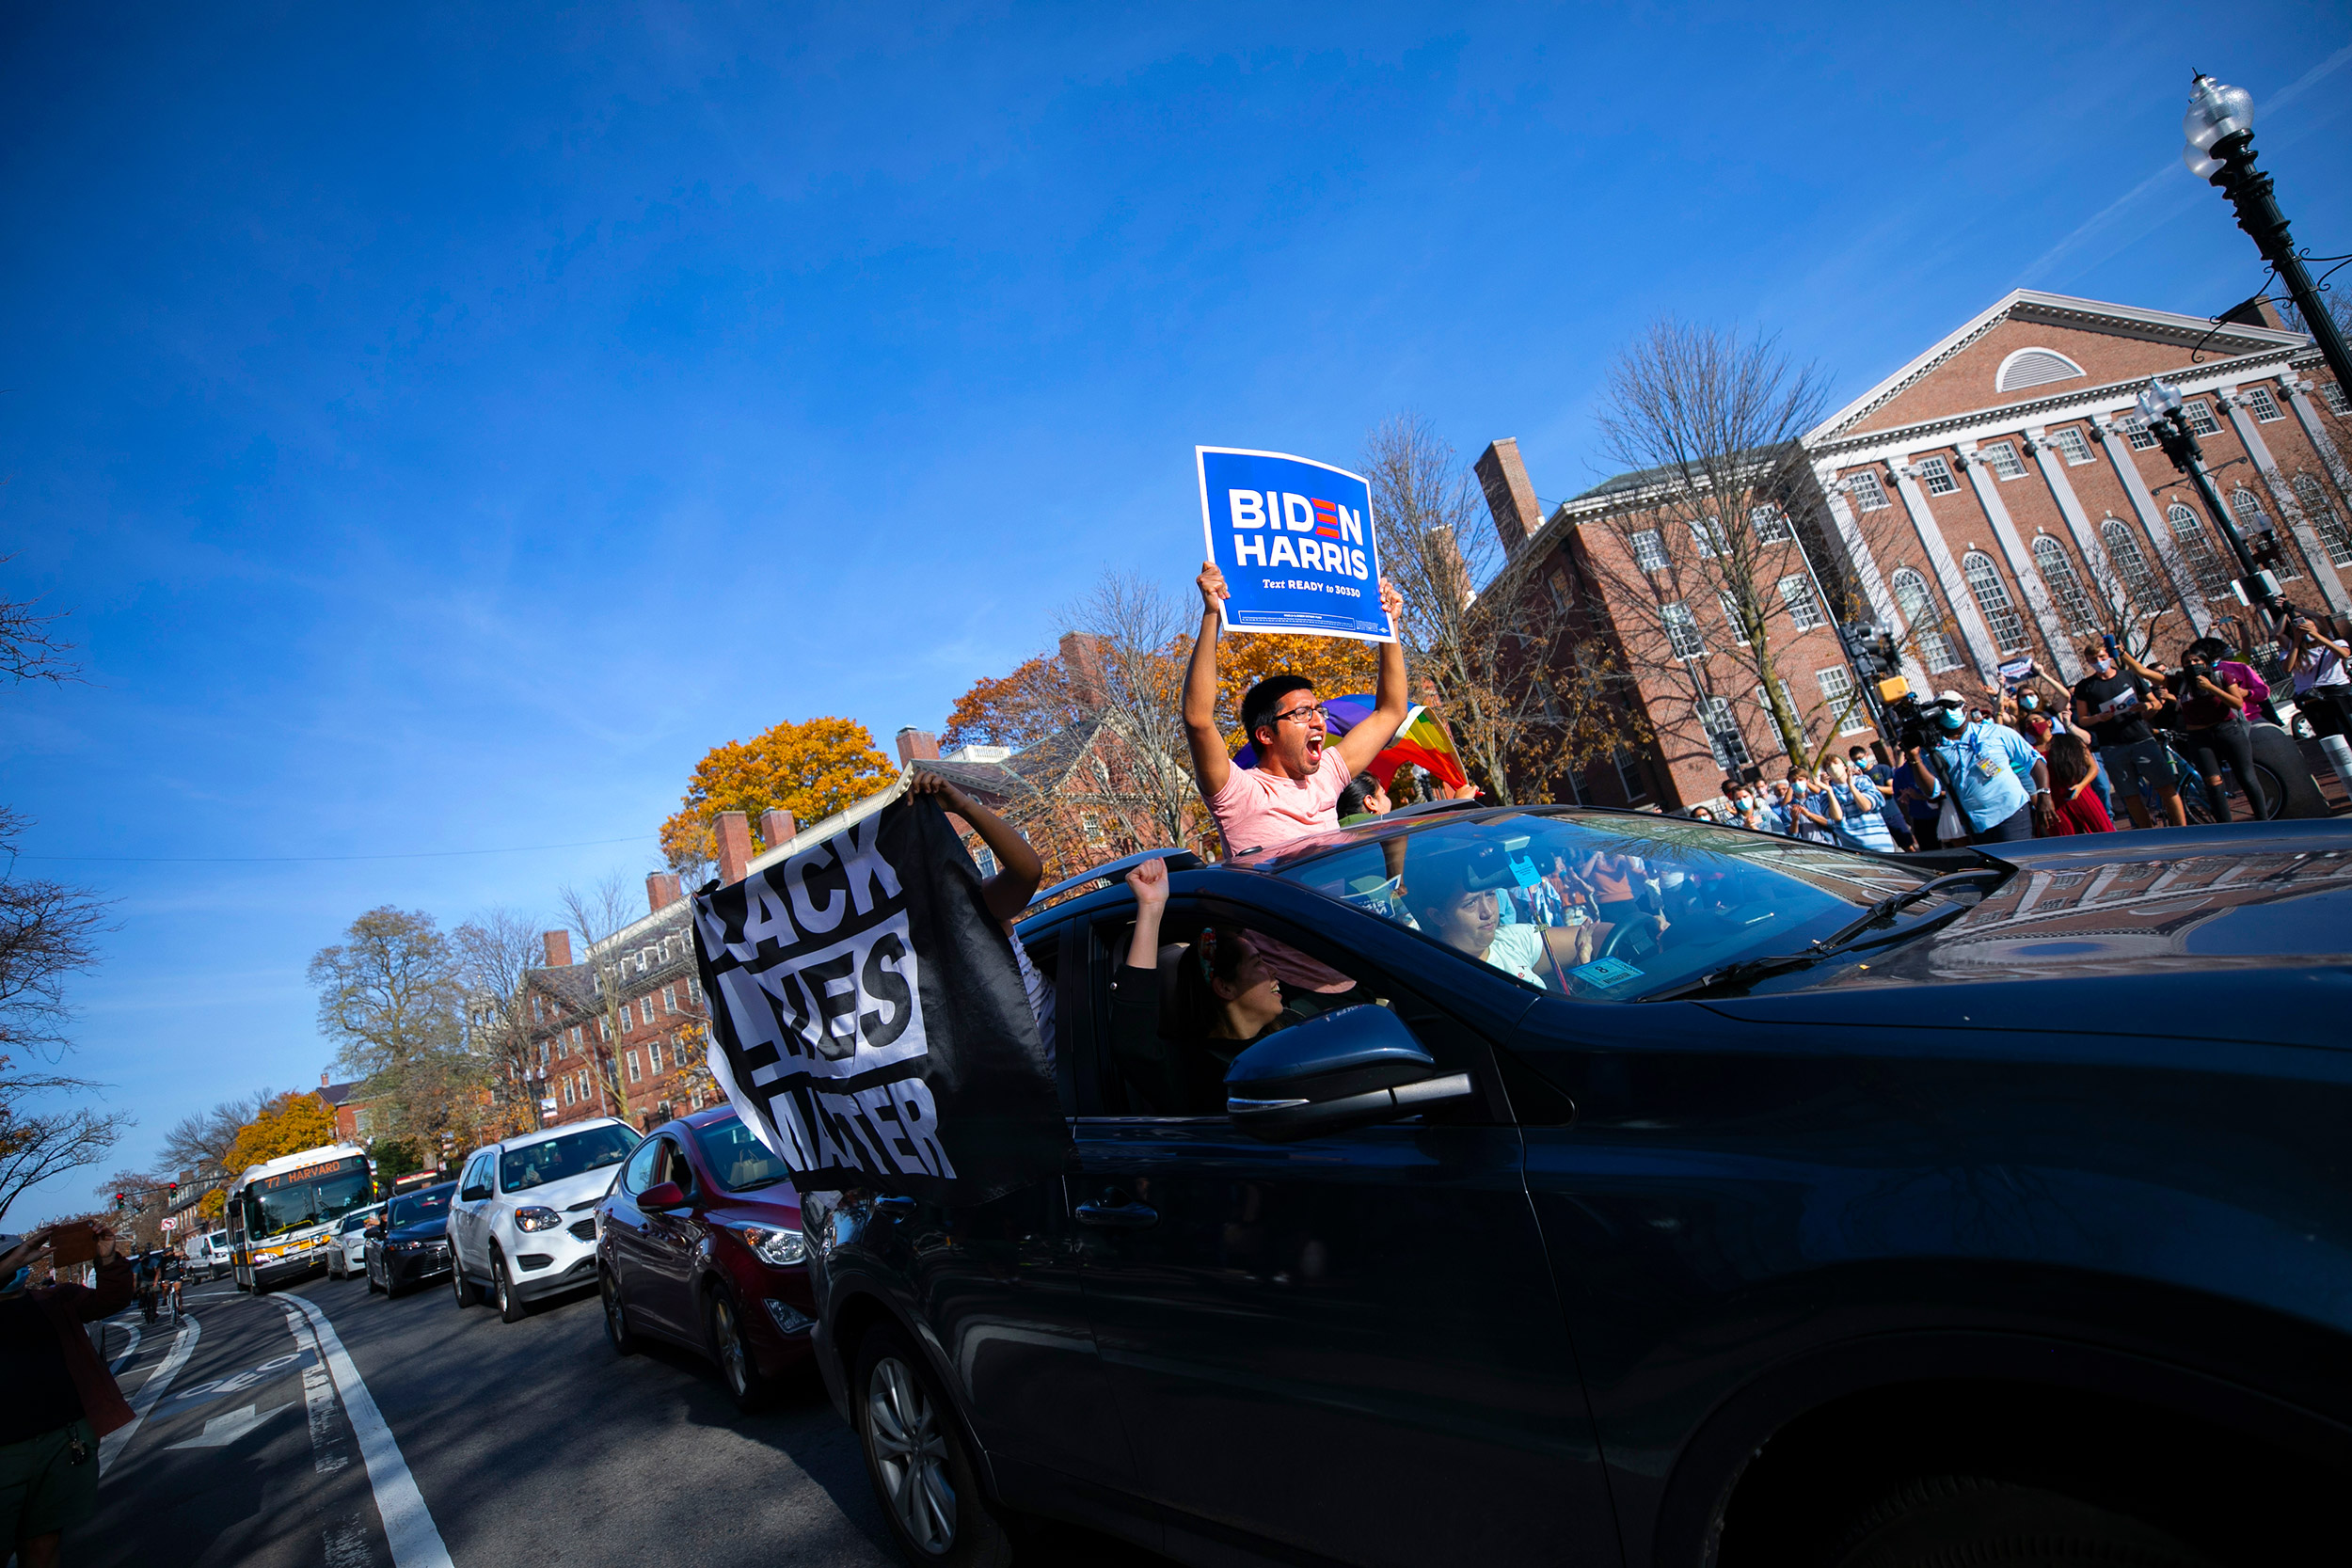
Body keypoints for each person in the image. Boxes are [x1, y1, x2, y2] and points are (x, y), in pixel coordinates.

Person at [1184, 561, 1409, 859]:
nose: (1318, 721)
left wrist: (1389, 626)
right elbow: (1198, 721)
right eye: (1303, 713)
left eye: (1318, 711)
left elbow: (1391, 712)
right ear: (1265, 734)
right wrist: (1212, 613)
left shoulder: (1326, 775)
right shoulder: (1240, 793)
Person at [1, 1224, 133, 1568]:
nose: (19, 1265)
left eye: (20, 1258)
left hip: (62, 1441)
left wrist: (106, 1260)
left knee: (43, 1542)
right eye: (10, 1260)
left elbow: (111, 1300)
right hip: (5, 1453)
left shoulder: (54, 1299)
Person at [907, 770, 1050, 1037]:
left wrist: (962, 805)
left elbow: (1027, 873)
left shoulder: (973, 903)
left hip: (1062, 1052)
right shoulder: (895, 950)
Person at [2143, 637, 2267, 823]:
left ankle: (2264, 821)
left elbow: (2237, 703)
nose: (2192, 665)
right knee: (2213, 784)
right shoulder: (2181, 683)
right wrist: (2120, 654)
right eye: (2187, 663)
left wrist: (2211, 687)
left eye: (2196, 661)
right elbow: (2144, 672)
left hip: (2228, 731)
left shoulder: (2221, 676)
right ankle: (2226, 827)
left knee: (2246, 777)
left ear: (2205, 663)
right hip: (2199, 736)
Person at [1912, 688, 2054, 844]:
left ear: (1964, 707)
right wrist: (1914, 759)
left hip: (2011, 811)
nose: (1948, 711)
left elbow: (2033, 760)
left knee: (2019, 861)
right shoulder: (1934, 750)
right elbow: (1932, 791)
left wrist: (2044, 794)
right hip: (1976, 823)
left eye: (1952, 706)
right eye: (1942, 708)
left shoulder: (1995, 732)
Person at [2071, 641, 2185, 830]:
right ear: (2087, 662)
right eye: (2094, 660)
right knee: (2130, 794)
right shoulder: (2085, 686)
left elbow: (2155, 703)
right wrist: (2099, 717)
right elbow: (2083, 719)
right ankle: (2149, 834)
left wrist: (2147, 706)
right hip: (2112, 745)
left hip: (2141, 738)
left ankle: (2183, 829)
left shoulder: (2128, 676)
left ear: (2109, 656)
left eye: (2102, 657)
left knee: (2165, 787)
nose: (2099, 662)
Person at [2285, 606, 2352, 740]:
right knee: (2329, 735)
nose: (2306, 630)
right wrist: (2297, 640)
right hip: (2311, 696)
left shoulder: (2336, 642)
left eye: (2309, 627)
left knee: (2348, 726)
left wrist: (2316, 635)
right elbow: (2287, 668)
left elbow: (2344, 654)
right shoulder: (2294, 651)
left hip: (2337, 690)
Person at [1821, 753, 1898, 852]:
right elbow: (1837, 816)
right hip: (1852, 848)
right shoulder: (1825, 792)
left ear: (1844, 766)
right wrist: (1829, 791)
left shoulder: (1862, 781)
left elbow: (1866, 806)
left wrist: (1851, 786)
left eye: (1835, 763)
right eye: (1828, 766)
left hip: (1879, 844)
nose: (1832, 767)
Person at [2042, 733, 2114, 835]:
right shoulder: (2030, 749)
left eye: (2037, 720)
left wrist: (2081, 785)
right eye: (2028, 723)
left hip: (2080, 792)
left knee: (2103, 830)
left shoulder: (2069, 741)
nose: (2033, 724)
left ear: (2049, 723)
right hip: (2054, 801)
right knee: (2067, 840)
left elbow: (2093, 767)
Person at [1785, 768, 1843, 845]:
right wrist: (1795, 820)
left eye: (1800, 780)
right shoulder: (1788, 808)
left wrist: (1809, 814)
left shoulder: (1818, 799)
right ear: (1790, 784)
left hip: (1827, 843)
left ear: (1807, 781)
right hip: (1805, 848)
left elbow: (1832, 823)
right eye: (1793, 781)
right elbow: (1792, 835)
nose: (1797, 783)